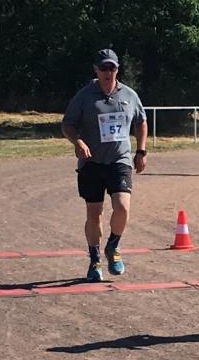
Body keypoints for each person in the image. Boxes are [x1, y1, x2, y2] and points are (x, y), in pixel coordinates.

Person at [61, 49, 148, 282]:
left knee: (123, 207)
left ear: (117, 69)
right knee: (94, 213)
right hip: (92, 162)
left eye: (112, 68)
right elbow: (67, 125)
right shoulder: (84, 96)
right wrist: (78, 141)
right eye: (104, 68)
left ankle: (113, 246)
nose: (108, 72)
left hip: (119, 160)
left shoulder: (129, 95)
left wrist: (141, 151)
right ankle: (94, 259)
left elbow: (141, 121)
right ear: (96, 70)